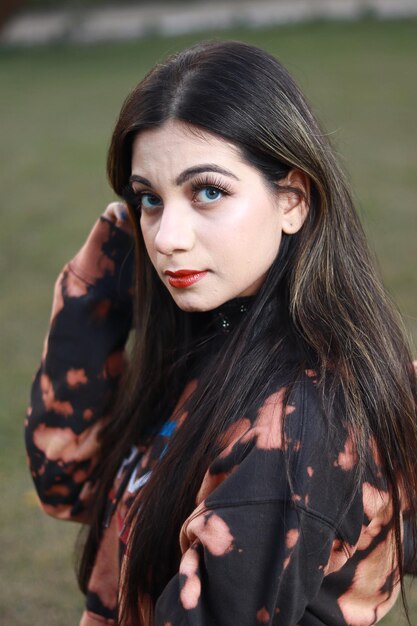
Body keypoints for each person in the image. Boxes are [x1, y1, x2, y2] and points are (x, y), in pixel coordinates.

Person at [25, 40, 417, 626]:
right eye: (149, 199)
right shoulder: (211, 335)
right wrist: (98, 278)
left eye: (208, 191)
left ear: (291, 201)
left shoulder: (292, 426)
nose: (166, 237)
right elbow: (67, 482)